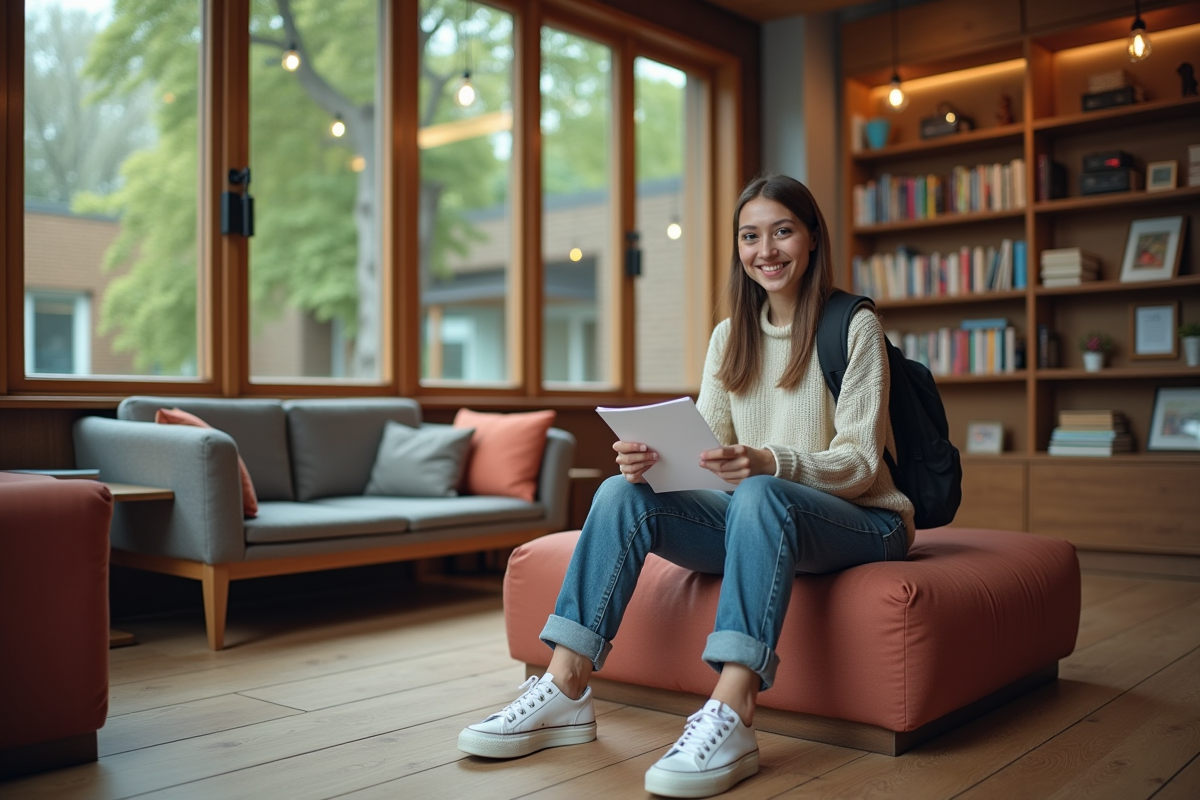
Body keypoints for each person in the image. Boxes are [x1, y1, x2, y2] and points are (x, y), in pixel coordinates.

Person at [457, 175, 914, 798]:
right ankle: (565, 685)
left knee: (759, 492)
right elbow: (709, 455)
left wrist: (768, 462)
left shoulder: (854, 325)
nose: (766, 250)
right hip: (760, 513)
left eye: (782, 231)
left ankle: (733, 709)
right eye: (750, 236)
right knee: (622, 493)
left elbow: (859, 462)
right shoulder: (730, 336)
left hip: (863, 520)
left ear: (812, 237)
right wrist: (655, 463)